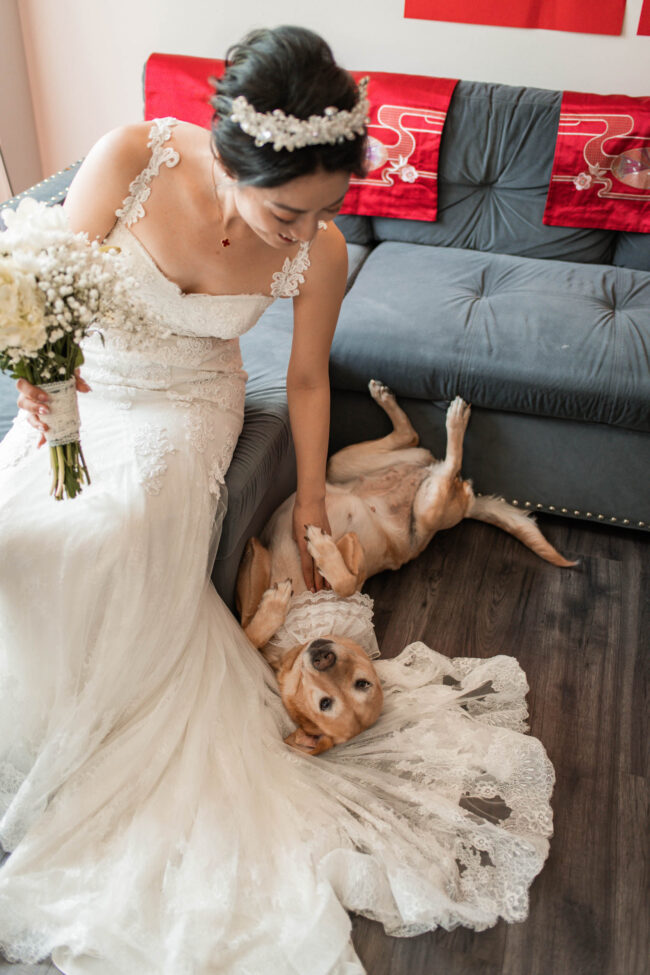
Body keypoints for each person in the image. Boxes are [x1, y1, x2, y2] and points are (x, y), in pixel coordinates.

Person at [0, 26, 554, 975]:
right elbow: (47, 292)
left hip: (184, 409)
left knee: (115, 527)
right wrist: (37, 381)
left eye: (324, 212)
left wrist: (308, 499)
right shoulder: (131, 158)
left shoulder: (321, 252)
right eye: (288, 214)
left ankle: (67, 746)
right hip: (89, 394)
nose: (306, 236)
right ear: (228, 156)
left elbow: (304, 384)